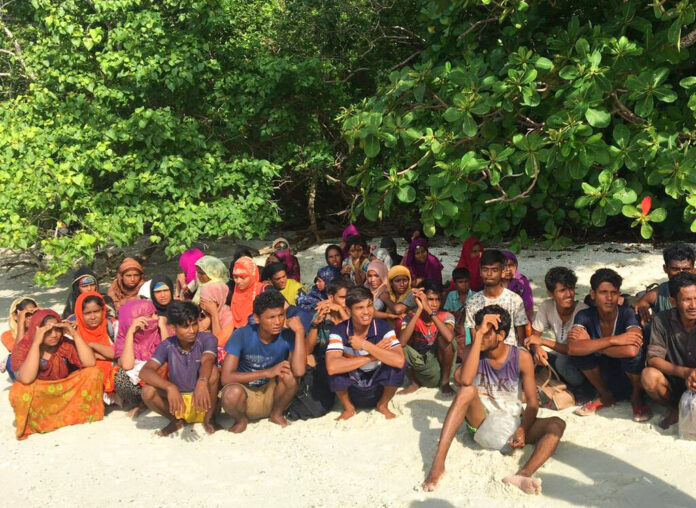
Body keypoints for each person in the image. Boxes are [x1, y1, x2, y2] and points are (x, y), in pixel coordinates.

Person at [423, 305, 565, 494]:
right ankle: (438, 464)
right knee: (466, 391)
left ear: (501, 335)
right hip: (481, 423)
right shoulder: (475, 353)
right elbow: (465, 380)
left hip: (513, 424)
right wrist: (480, 335)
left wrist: (522, 430)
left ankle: (523, 474)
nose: (479, 335)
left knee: (557, 424)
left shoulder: (520, 357)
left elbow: (532, 401)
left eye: (486, 332)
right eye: (478, 329)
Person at [567, 268, 650, 420]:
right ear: (593, 295)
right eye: (603, 292)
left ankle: (636, 397)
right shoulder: (584, 315)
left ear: (619, 295)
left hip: (627, 374)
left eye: (613, 293)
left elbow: (632, 350)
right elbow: (572, 348)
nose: (609, 298)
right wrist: (614, 340)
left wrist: (592, 345)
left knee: (635, 356)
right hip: (602, 373)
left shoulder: (627, 313)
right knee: (579, 355)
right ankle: (605, 395)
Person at [9, 309, 103, 439]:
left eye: (57, 330)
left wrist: (74, 335)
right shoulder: (25, 346)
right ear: (37, 331)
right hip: (43, 394)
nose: (54, 335)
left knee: (93, 372)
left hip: (64, 390)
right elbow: (26, 379)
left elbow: (90, 362)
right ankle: (43, 422)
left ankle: (74, 415)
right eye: (48, 331)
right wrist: (36, 343)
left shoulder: (64, 343)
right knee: (19, 390)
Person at [220, 290, 306, 432]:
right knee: (230, 394)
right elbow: (226, 377)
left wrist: (300, 332)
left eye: (281, 315)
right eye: (271, 317)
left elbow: (300, 371)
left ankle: (276, 414)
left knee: (289, 375)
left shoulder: (287, 336)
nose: (278, 322)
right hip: (244, 394)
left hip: (271, 394)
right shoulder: (241, 334)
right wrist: (268, 372)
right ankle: (241, 420)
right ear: (257, 318)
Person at [139, 301, 221, 436]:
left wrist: (202, 381)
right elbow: (145, 372)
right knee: (147, 391)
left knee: (212, 371)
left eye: (194, 324)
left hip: (204, 399)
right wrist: (170, 387)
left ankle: (209, 419)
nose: (192, 330)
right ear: (173, 327)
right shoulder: (167, 345)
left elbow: (208, 359)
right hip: (179, 403)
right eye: (185, 326)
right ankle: (176, 421)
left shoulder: (207, 338)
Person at [326, 286, 406, 420]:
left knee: (399, 365)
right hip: (352, 389)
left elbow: (399, 361)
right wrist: (371, 357)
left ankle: (382, 405)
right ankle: (349, 408)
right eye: (359, 308)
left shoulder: (383, 328)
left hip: (377, 387)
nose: (366, 312)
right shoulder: (339, 331)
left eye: (369, 306)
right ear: (349, 310)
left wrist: (365, 345)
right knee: (335, 369)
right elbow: (332, 367)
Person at [641, 271, 696, 429]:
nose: (693, 305)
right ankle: (675, 410)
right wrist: (686, 372)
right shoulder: (661, 320)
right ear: (673, 302)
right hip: (674, 381)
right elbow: (653, 359)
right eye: (686, 300)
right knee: (648, 375)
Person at [524, 267, 587, 390]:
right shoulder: (547, 306)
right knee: (526, 353)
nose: (569, 294)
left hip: (580, 362)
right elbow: (533, 337)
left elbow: (571, 349)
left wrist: (542, 342)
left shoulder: (583, 311)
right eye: (562, 290)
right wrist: (537, 349)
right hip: (561, 356)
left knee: (562, 363)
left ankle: (582, 389)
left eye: (571, 289)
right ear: (550, 294)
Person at [399, 280, 456, 396]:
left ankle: (445, 383)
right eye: (430, 299)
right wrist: (420, 310)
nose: (434, 304)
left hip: (439, 366)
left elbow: (449, 338)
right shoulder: (410, 317)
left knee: (445, 339)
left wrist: (429, 311)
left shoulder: (446, 316)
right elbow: (402, 342)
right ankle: (414, 383)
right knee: (398, 347)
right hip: (420, 366)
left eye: (438, 299)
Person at [464, 250, 527, 346]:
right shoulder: (472, 301)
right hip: (482, 355)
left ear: (502, 272)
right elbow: (474, 337)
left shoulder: (515, 300)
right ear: (480, 272)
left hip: (510, 355)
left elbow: (521, 337)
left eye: (494, 270)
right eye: (485, 269)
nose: (489, 274)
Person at [113, 299, 162, 415]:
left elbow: (170, 355)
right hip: (140, 383)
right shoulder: (123, 337)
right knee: (121, 377)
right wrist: (131, 333)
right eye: (150, 315)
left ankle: (154, 401)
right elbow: (127, 365)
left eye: (156, 313)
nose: (156, 318)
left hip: (162, 381)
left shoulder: (160, 331)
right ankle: (142, 402)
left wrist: (163, 327)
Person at [634, 243, 695, 325]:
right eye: (675, 269)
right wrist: (642, 308)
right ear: (665, 269)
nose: (681, 273)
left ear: (694, 270)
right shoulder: (658, 293)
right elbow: (638, 304)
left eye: (686, 269)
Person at [74, 291, 117, 403]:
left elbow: (118, 353)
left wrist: (92, 346)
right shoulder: (74, 333)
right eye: (87, 313)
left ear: (103, 310)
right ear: (79, 313)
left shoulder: (113, 326)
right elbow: (77, 360)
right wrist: (102, 355)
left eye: (96, 311)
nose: (93, 317)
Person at [1, 297, 38, 378]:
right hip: (25, 372)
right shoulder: (7, 335)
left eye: (34, 314)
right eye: (27, 314)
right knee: (10, 360)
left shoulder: (41, 329)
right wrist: (21, 322)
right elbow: (19, 353)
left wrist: (43, 314)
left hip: (41, 367)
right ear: (15, 316)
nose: (31, 317)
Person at [444, 267, 474, 358]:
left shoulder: (475, 296)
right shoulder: (451, 295)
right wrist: (455, 314)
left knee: (466, 335)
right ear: (455, 283)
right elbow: (446, 313)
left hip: (470, 327)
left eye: (466, 282)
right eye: (460, 282)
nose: (464, 285)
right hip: (455, 326)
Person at [230, 256, 267, 328]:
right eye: (235, 277)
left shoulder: (265, 290)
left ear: (252, 275)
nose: (238, 281)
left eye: (243, 277)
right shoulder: (231, 290)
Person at [199, 281, 235, 347]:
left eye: (207, 302)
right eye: (201, 300)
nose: (203, 305)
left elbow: (218, 342)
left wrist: (214, 314)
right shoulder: (202, 313)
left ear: (218, 301)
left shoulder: (229, 317)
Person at [502, 251, 534, 322]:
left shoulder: (521, 282)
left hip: (520, 321)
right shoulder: (494, 282)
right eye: (504, 266)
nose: (507, 269)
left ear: (516, 266)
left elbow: (528, 307)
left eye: (510, 265)